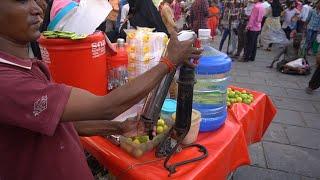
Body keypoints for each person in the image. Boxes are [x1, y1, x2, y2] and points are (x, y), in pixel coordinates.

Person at [0, 1, 202, 179]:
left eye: (35, 0)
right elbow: (107, 106)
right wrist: (168, 62)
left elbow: (61, 122)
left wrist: (118, 128)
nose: (37, 9)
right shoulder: (7, 82)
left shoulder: (27, 65)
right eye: (21, 0)